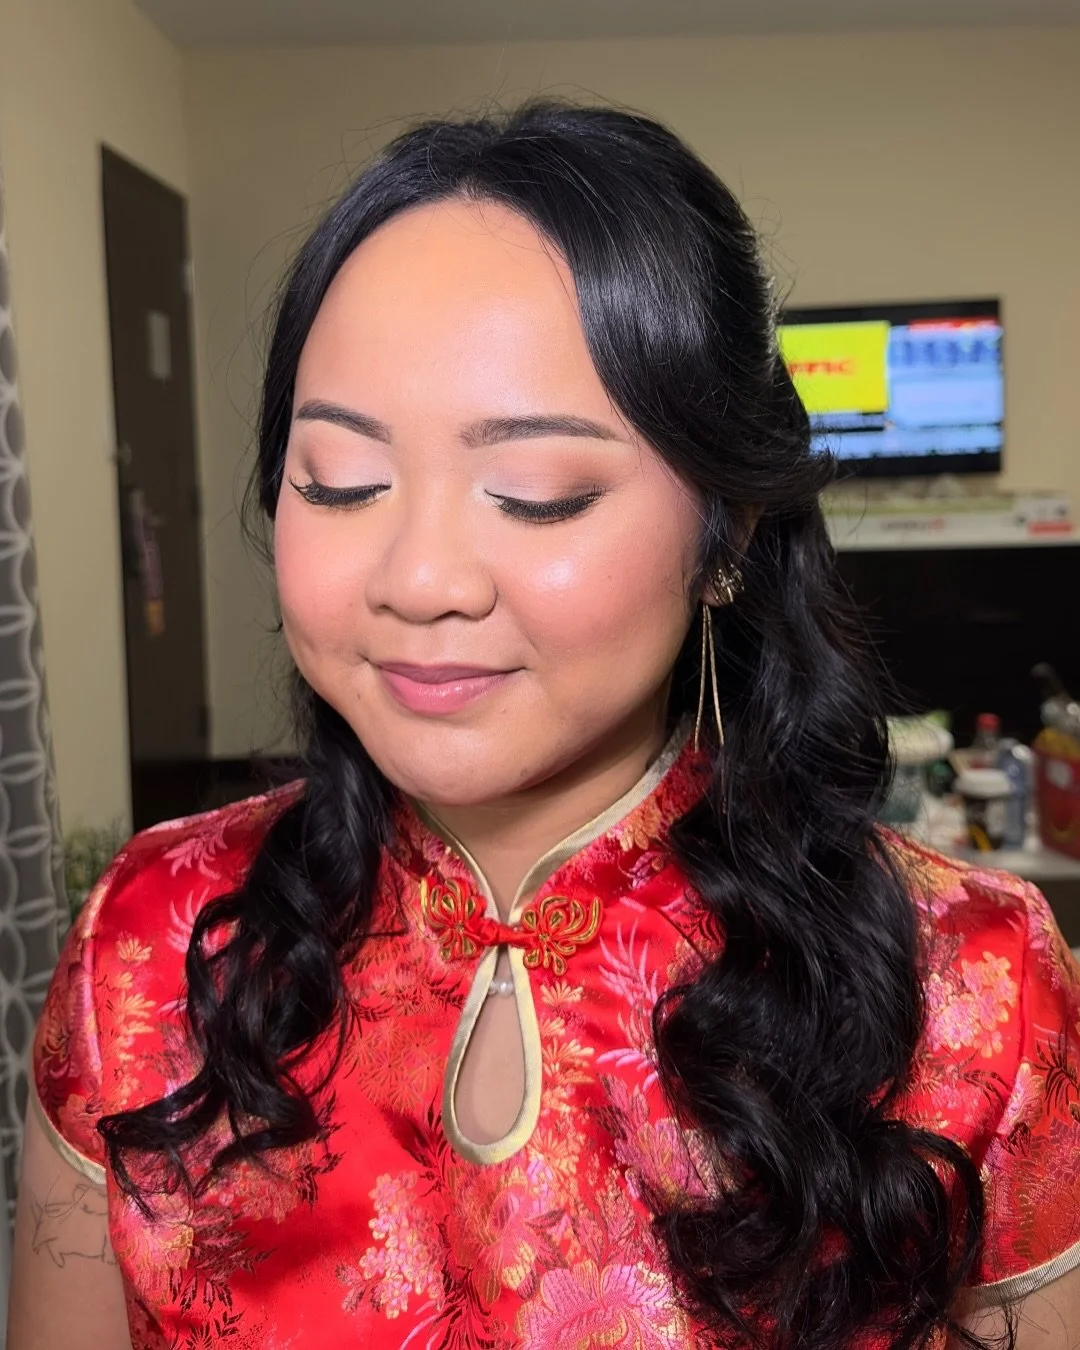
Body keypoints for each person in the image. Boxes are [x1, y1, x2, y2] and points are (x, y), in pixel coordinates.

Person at [9, 100, 1080, 1350]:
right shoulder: (150, 947)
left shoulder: (971, 986)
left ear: (726, 528)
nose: (418, 579)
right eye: (341, 481)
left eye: (538, 493)